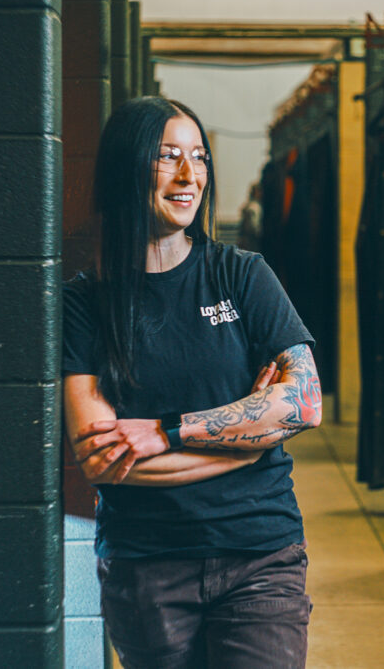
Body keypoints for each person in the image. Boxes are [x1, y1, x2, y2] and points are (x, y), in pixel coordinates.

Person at [62, 96, 322, 669]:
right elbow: (102, 460)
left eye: (199, 156)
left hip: (260, 553)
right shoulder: (86, 302)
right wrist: (250, 440)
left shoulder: (242, 275)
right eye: (168, 156)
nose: (189, 175)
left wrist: (166, 433)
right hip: (146, 565)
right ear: (127, 167)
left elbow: (303, 403)